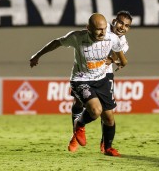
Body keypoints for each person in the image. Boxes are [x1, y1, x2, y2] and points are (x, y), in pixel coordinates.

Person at [30, 13, 128, 156]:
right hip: (81, 79)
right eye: (98, 29)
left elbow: (123, 60)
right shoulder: (77, 37)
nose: (102, 32)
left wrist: (115, 61)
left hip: (101, 80)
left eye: (104, 29)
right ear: (88, 28)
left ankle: (107, 148)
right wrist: (37, 56)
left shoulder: (112, 38)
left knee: (109, 118)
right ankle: (79, 125)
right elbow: (56, 42)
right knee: (94, 110)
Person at [68, 11, 132, 154]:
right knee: (78, 102)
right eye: (121, 23)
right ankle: (75, 134)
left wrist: (116, 60)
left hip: (105, 73)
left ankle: (105, 144)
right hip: (84, 73)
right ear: (114, 21)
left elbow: (112, 59)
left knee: (106, 111)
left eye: (127, 26)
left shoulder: (123, 43)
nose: (122, 27)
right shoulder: (102, 27)